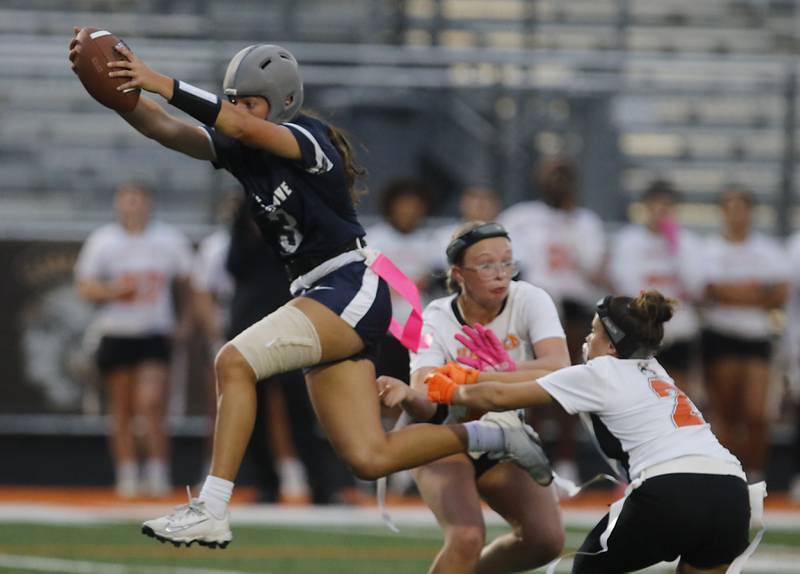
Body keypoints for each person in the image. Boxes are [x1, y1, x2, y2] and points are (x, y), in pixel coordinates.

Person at [68, 34, 553, 547]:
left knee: (233, 360)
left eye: (250, 101)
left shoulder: (309, 136)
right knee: (369, 458)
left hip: (349, 280)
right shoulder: (244, 150)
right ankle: (497, 435)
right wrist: (116, 93)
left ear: (282, 103)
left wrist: (161, 81)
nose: (238, 110)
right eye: (233, 99)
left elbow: (229, 123)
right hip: (319, 289)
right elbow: (164, 128)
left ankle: (211, 505)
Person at [422, 290, 753, 574]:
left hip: (670, 488)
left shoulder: (599, 371)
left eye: (594, 332)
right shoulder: (656, 370)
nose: (586, 339)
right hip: (733, 492)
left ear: (611, 345)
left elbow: (498, 397)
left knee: (587, 568)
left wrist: (452, 389)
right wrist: (490, 376)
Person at [378, 221, 568, 573]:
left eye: (507, 262)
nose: (500, 274)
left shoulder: (530, 298)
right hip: (444, 435)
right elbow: (429, 400)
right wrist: (407, 395)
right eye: (485, 264)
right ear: (458, 273)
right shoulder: (435, 317)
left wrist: (483, 377)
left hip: (503, 432)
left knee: (545, 540)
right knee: (465, 536)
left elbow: (560, 368)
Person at [74, 182, 194, 498]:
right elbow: (85, 286)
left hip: (154, 332)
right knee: (122, 408)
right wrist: (114, 291)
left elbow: (187, 284)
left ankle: (157, 469)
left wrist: (185, 323)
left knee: (151, 402)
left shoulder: (168, 239)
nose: (134, 206)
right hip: (117, 331)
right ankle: (127, 472)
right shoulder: (103, 241)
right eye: (128, 200)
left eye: (139, 200)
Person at [498, 156, 606, 483]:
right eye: (551, 176)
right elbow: (503, 258)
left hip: (574, 308)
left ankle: (567, 460)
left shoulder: (585, 222)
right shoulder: (521, 217)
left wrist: (570, 225)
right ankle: (527, 451)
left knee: (569, 381)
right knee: (527, 381)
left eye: (564, 177)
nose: (557, 184)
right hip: (532, 305)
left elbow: (594, 266)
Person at [701, 185, 788, 482]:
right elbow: (710, 290)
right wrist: (755, 294)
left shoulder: (767, 250)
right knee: (724, 413)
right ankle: (728, 475)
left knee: (755, 413)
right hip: (721, 334)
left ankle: (754, 473)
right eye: (731, 207)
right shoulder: (710, 248)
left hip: (756, 337)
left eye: (742, 207)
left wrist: (731, 293)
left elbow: (779, 294)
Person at [609, 180, 705, 393]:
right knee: (638, 391)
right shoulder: (628, 240)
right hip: (641, 329)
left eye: (667, 206)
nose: (661, 211)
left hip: (679, 330)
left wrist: (675, 245)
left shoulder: (688, 242)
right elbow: (625, 284)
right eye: (655, 204)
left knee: (678, 392)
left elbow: (696, 285)